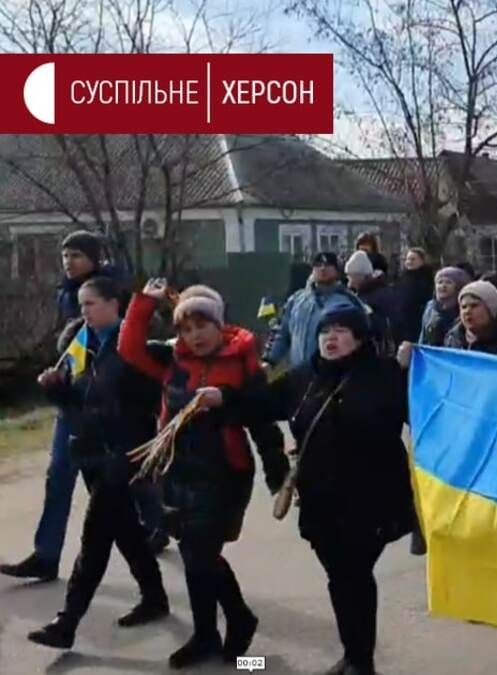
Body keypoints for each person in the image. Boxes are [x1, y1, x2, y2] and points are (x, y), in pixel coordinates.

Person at [118, 280, 288, 669]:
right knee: (198, 554)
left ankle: (223, 629)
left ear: (219, 324)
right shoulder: (170, 360)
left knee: (199, 553)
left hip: (224, 472)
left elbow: (262, 419)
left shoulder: (242, 362)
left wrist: (276, 471)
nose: (194, 336)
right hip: (176, 472)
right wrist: (144, 303)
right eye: (185, 329)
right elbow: (128, 350)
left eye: (202, 326)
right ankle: (218, 629)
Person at [2, 231, 165, 582]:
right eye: (64, 255)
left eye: (76, 255)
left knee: (122, 484)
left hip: (110, 408)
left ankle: (157, 525)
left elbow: (136, 343)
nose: (68, 262)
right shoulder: (65, 293)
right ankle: (46, 555)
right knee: (59, 475)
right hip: (75, 399)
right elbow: (74, 343)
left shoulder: (115, 290)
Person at [26, 276, 170, 650]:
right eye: (81, 305)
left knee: (95, 539)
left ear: (112, 304)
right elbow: (80, 403)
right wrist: (56, 387)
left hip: (124, 455)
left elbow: (140, 400)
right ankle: (154, 596)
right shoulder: (82, 346)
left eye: (90, 304)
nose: (83, 312)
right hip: (92, 454)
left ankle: (67, 622)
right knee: (125, 529)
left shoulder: (134, 347)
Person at [271, 306, 416, 675]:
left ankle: (360, 660)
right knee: (340, 576)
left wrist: (416, 369)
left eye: (341, 330)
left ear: (361, 337)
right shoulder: (304, 376)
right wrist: (221, 397)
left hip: (371, 497)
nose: (330, 338)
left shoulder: (386, 375)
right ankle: (353, 655)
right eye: (325, 331)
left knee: (353, 573)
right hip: (320, 498)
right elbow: (257, 403)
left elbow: (432, 413)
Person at [268, 252, 366, 368]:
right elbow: (282, 333)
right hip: (299, 376)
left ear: (337, 270)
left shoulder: (347, 302)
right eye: (318, 265)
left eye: (328, 265)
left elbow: (361, 338)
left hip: (334, 376)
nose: (323, 269)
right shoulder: (296, 300)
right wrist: (270, 359)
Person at [346, 250, 402, 356]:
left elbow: (389, 324)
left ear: (360, 276)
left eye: (350, 276)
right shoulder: (360, 295)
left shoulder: (381, 295)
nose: (349, 281)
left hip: (380, 351)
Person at [443, 280, 497, 354]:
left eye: (474, 306)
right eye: (463, 307)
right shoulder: (452, 339)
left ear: (491, 309)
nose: (467, 311)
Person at [419, 266, 472, 346]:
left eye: (448, 282)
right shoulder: (430, 307)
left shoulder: (465, 308)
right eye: (440, 282)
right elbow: (423, 337)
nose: (443, 286)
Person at [397, 247, 436, 343]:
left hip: (419, 320)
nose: (409, 262)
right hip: (402, 322)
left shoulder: (427, 278)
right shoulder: (402, 277)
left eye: (413, 259)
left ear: (422, 261)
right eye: (407, 259)